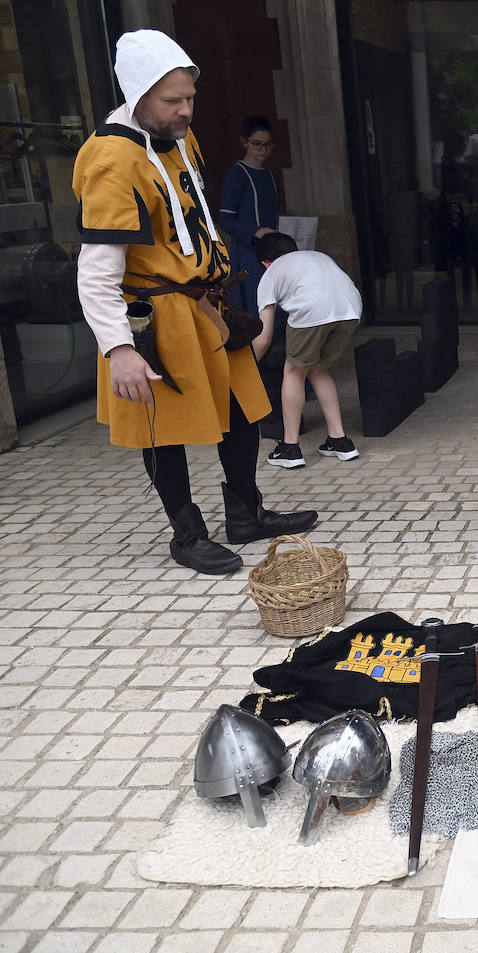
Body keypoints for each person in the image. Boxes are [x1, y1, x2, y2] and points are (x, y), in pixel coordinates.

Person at [73, 29, 316, 576]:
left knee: (241, 413)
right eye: (172, 101)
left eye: (190, 98)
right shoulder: (111, 162)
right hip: (154, 314)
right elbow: (95, 272)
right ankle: (187, 536)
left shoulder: (180, 136)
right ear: (138, 95)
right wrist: (119, 349)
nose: (186, 111)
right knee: (164, 427)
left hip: (206, 306)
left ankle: (246, 514)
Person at [249, 232, 361, 468]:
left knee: (293, 372)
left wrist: (248, 367)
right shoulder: (316, 256)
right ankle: (339, 441)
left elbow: (264, 337)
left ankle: (290, 448)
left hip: (312, 312)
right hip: (351, 309)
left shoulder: (271, 273)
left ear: (265, 263)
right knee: (316, 368)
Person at [219, 115, 281, 312]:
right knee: (257, 308)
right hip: (249, 251)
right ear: (244, 142)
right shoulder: (237, 175)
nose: (263, 150)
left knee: (278, 303)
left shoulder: (272, 175)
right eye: (257, 144)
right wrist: (256, 232)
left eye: (268, 145)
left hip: (274, 249)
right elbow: (226, 220)